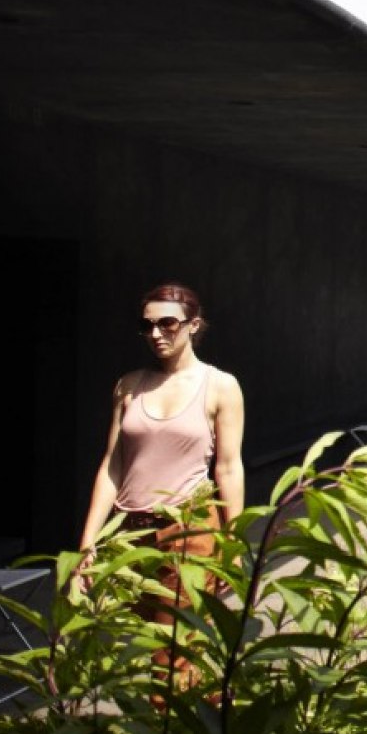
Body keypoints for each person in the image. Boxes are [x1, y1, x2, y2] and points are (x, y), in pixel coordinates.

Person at [75, 282, 245, 693]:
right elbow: (112, 466)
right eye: (147, 325)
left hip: (188, 528)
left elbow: (228, 468)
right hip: (130, 531)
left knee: (175, 652)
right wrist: (88, 544)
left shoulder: (219, 386)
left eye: (167, 323)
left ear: (193, 324)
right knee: (125, 645)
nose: (156, 334)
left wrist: (234, 545)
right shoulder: (129, 385)